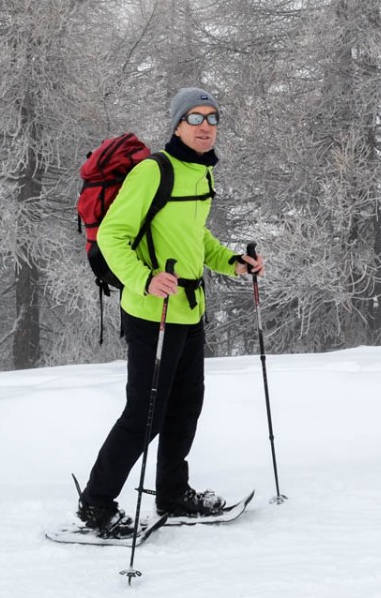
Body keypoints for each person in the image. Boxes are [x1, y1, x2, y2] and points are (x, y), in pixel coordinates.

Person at [75, 86, 263, 537]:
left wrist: (232, 262)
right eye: (195, 118)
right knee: (145, 414)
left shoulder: (201, 175)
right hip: (149, 312)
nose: (205, 127)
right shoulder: (152, 172)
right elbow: (112, 237)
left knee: (185, 408)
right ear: (177, 124)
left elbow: (195, 238)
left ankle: (173, 494)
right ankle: (96, 505)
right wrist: (143, 279)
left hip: (188, 311)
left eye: (212, 119)